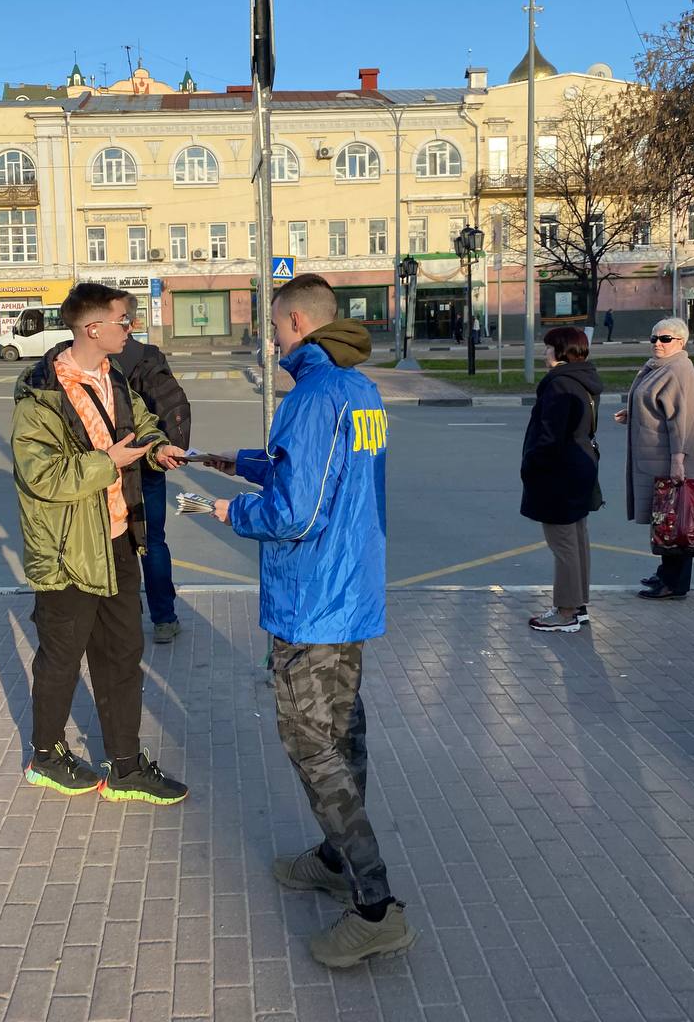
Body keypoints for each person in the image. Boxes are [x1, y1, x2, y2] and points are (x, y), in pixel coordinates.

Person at [206, 273, 415, 969]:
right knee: (343, 729)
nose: (269, 340)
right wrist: (228, 462)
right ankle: (333, 858)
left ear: (297, 323)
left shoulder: (312, 396)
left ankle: (375, 908)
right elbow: (320, 474)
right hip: (349, 591)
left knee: (310, 742)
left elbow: (295, 512)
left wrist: (232, 510)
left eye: (272, 327)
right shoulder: (359, 390)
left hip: (311, 601)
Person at [11, 282, 189, 803]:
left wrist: (157, 450)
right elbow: (42, 476)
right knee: (61, 658)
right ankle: (46, 756)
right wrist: (109, 461)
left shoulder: (114, 377)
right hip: (67, 551)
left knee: (122, 655)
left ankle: (126, 766)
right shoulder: (41, 395)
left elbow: (143, 426)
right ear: (93, 329)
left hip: (118, 540)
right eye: (123, 321)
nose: (130, 329)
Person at [112, 295, 191, 643]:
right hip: (149, 459)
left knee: (115, 541)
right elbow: (169, 404)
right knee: (153, 540)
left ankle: (123, 619)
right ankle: (163, 619)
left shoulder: (96, 357)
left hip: (110, 463)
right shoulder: (148, 356)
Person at [615, 317, 694, 600]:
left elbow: (682, 420)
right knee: (666, 518)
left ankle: (674, 584)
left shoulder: (678, 370)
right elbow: (658, 404)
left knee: (677, 519)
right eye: (654, 338)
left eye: (665, 339)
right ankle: (666, 573)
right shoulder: (660, 366)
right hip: (657, 457)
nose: (657, 343)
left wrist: (678, 460)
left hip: (671, 458)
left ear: (681, 342)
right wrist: (634, 414)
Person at [521, 328, 603, 632]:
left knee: (563, 543)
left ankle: (566, 612)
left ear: (560, 351)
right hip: (580, 467)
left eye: (547, 348)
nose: (544, 353)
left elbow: (549, 437)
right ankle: (578, 605)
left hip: (559, 472)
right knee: (577, 538)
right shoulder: (584, 379)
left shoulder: (559, 385)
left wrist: (531, 465)